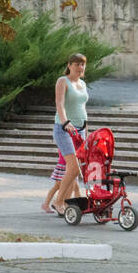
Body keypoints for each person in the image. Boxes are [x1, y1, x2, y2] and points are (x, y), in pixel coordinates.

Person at [52, 53, 90, 214]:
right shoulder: (63, 81)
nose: (80, 67)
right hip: (64, 129)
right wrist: (65, 122)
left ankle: (66, 202)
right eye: (77, 64)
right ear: (69, 65)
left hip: (81, 130)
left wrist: (86, 131)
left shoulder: (82, 83)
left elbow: (82, 107)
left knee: (75, 169)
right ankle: (58, 201)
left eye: (82, 65)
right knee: (74, 168)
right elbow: (59, 103)